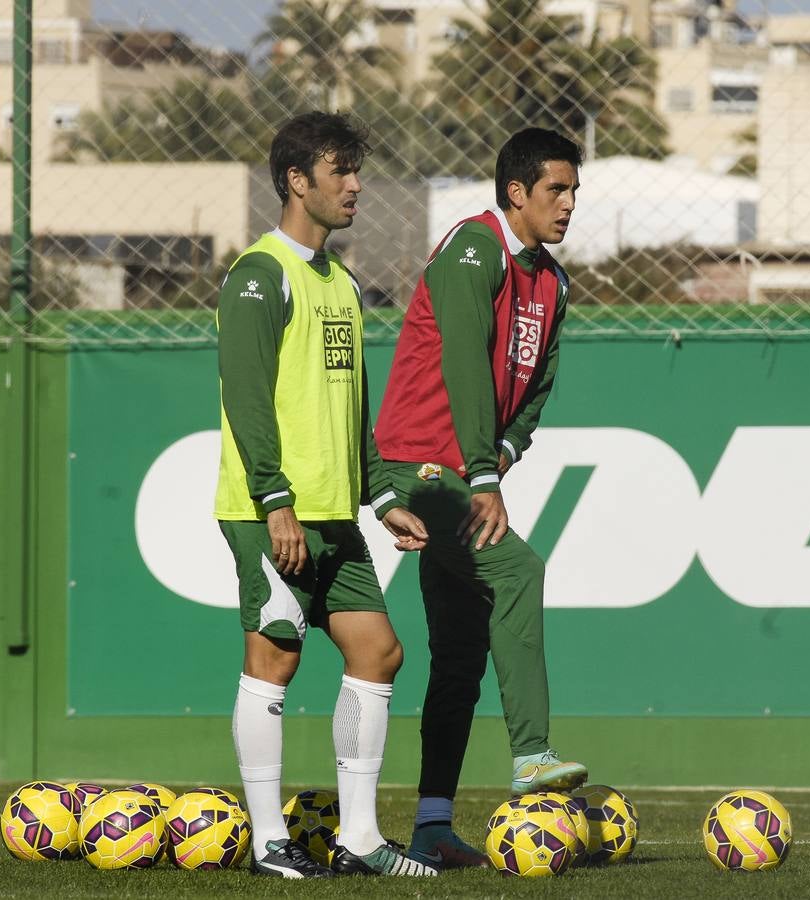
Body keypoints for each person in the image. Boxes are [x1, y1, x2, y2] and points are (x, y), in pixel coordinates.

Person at [215, 111, 436, 879]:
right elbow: (245, 394)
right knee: (274, 659)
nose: (356, 185)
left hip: (336, 513)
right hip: (268, 511)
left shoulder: (339, 281)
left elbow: (350, 405)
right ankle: (269, 841)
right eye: (339, 171)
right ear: (295, 181)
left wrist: (380, 496)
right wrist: (275, 499)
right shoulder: (259, 272)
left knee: (378, 652)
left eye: (356, 170)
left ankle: (361, 840)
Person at [371, 127, 588, 870]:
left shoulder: (553, 284)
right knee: (518, 572)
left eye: (574, 191)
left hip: (467, 470)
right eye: (555, 190)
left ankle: (432, 824)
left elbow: (534, 397)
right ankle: (531, 756)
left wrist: (503, 453)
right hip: (418, 468)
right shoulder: (475, 247)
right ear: (516, 193)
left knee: (460, 651)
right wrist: (482, 475)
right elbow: (466, 361)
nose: (568, 204)